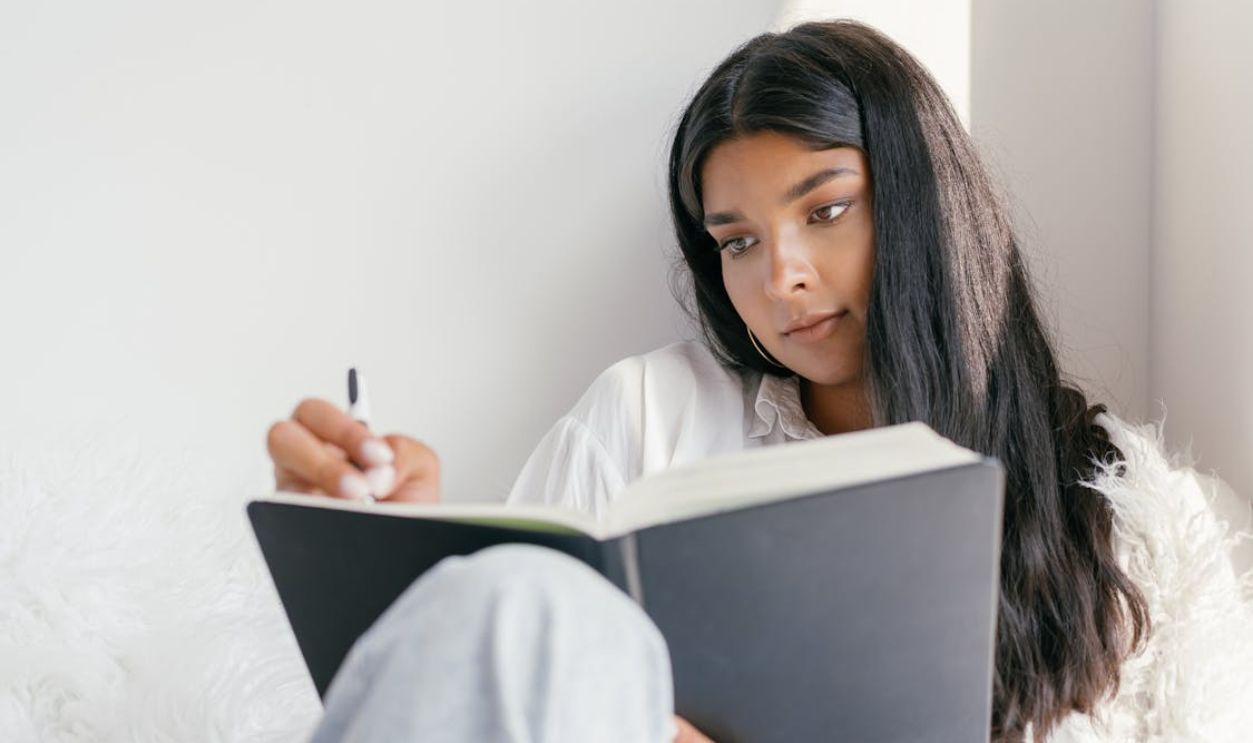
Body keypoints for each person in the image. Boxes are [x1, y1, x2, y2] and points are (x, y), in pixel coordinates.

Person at [265, 18, 1253, 743]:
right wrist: (409, 559)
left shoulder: (1131, 513)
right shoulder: (645, 415)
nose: (775, 275)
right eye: (735, 240)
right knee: (516, 599)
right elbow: (489, 695)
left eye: (824, 212)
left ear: (924, 205)